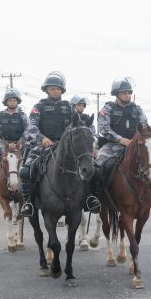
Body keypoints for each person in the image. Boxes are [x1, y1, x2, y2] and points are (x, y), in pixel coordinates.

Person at [20, 72, 100, 216]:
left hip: (67, 146)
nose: (55, 91)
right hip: (43, 145)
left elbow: (80, 126)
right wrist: (42, 138)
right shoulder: (38, 106)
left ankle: (90, 198)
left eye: (58, 89)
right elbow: (31, 127)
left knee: (92, 166)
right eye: (52, 89)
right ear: (46, 90)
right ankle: (29, 202)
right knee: (26, 170)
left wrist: (88, 144)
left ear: (62, 90)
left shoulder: (69, 107)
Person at [92, 77, 151, 207]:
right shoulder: (107, 108)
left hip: (135, 145)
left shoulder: (137, 109)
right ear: (116, 94)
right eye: (124, 92)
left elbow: (144, 126)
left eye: (129, 92)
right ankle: (95, 197)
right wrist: (120, 139)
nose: (127, 95)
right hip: (112, 145)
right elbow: (103, 128)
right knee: (98, 166)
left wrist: (134, 141)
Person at [0, 88, 28, 200]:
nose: (12, 102)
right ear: (6, 102)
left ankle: (29, 189)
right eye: (9, 100)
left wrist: (20, 142)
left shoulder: (22, 115)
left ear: (17, 101)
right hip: (2, 144)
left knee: (32, 162)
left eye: (14, 100)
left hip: (19, 144)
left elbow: (28, 130)